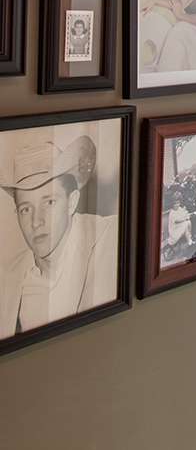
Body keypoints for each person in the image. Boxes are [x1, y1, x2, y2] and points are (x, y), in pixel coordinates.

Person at [0, 136, 117, 337]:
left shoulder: (111, 237)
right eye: (26, 209)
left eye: (49, 202)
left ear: (72, 202)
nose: (36, 221)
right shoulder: (8, 278)